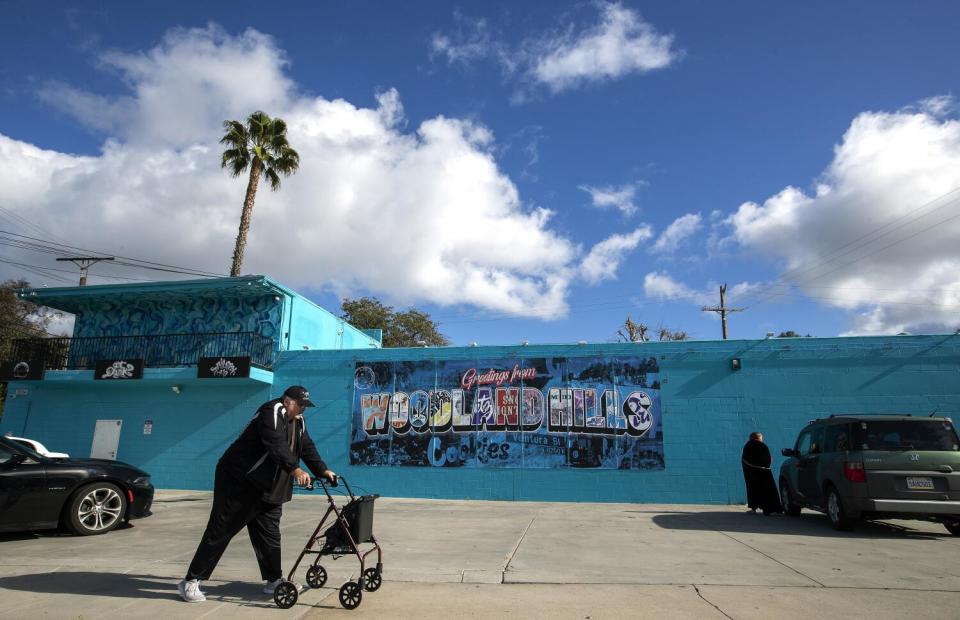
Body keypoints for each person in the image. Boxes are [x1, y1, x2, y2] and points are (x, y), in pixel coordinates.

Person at [177, 385, 337, 603]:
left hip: (268, 486)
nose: (303, 409)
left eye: (306, 406)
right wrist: (295, 469)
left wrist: (322, 469)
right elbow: (275, 443)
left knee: (269, 533)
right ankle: (191, 581)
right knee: (221, 529)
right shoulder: (272, 411)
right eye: (300, 405)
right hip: (239, 480)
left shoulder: (298, 421)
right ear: (288, 401)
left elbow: (306, 446)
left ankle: (273, 581)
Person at [741, 432, 783, 516]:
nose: (762, 439)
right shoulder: (762, 445)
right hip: (764, 473)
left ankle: (753, 508)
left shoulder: (748, 446)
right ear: (758, 437)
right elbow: (767, 459)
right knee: (767, 490)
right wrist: (765, 467)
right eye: (761, 437)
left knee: (752, 490)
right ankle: (769, 509)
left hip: (751, 473)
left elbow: (745, 459)